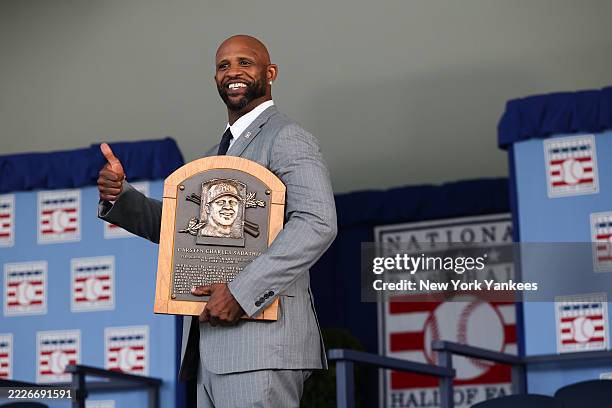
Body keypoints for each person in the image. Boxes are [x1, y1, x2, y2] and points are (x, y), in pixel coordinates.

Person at [97, 34, 337, 407]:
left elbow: (317, 222)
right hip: (210, 350)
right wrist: (120, 198)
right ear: (215, 80)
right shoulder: (214, 155)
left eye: (245, 62)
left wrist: (241, 292)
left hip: (261, 346)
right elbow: (184, 234)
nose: (233, 72)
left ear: (270, 72)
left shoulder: (287, 138)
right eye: (223, 66)